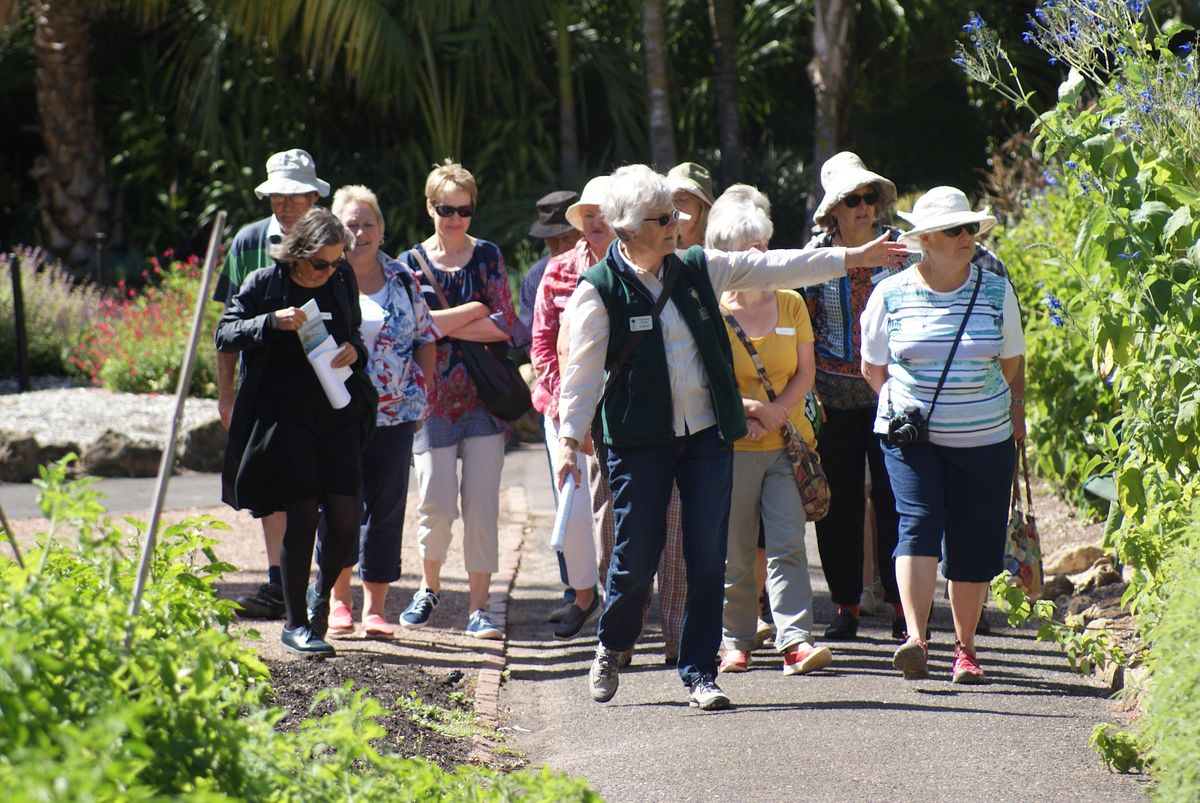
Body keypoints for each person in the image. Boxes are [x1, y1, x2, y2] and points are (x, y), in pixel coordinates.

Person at [556, 164, 907, 710]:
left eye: (676, 214)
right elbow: (579, 376)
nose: (677, 223)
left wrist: (852, 258)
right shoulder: (598, 292)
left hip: (704, 438)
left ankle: (699, 672)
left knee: (706, 553)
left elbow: (771, 263)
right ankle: (612, 643)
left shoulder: (699, 267)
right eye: (663, 217)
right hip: (637, 441)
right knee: (636, 553)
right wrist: (566, 441)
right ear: (627, 228)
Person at [860, 186, 1025, 683]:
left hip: (986, 439)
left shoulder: (996, 290)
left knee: (975, 541)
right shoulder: (890, 292)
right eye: (955, 229)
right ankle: (916, 638)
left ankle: (966, 650)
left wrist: (1010, 412)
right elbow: (873, 366)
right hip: (914, 440)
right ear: (925, 239)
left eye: (971, 228)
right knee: (918, 523)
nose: (967, 237)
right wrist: (907, 405)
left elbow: (1011, 361)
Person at [216, 208, 376, 656]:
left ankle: (320, 596)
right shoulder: (265, 284)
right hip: (284, 420)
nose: (331, 270)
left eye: (337, 261)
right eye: (323, 263)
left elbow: (356, 337)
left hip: (337, 412)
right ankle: (296, 624)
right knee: (301, 516)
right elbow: (224, 333)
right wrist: (273, 322)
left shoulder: (342, 279)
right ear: (300, 253)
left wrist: (353, 352)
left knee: (345, 517)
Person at [710, 185, 833, 677]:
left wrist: (778, 411)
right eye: (747, 248)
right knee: (736, 552)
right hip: (733, 446)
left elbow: (806, 372)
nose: (759, 255)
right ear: (727, 255)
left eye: (763, 245)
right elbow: (706, 380)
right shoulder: (714, 310)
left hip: (787, 443)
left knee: (787, 544)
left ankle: (794, 640)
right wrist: (750, 410)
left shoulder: (791, 304)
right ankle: (735, 639)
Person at [396, 160, 519, 640]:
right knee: (436, 502)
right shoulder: (407, 263)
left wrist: (444, 322)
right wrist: (475, 310)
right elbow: (411, 328)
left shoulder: (487, 255)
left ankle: (480, 606)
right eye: (446, 209)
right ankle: (428, 588)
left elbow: (506, 326)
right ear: (429, 207)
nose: (455, 219)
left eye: (464, 210)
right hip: (430, 400)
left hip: (484, 401)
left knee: (482, 505)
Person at [214, 148, 328, 621]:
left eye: (294, 196)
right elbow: (226, 324)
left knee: (318, 484)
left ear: (314, 196)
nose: (284, 205)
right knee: (268, 484)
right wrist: (225, 394)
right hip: (260, 384)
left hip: (321, 383)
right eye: (276, 196)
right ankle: (279, 582)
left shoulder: (328, 238)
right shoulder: (247, 242)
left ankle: (322, 586)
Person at [318, 185, 437, 638]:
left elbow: (426, 336)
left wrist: (420, 392)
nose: (360, 232)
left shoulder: (404, 278)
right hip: (338, 411)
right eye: (351, 223)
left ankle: (375, 608)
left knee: (386, 509)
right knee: (339, 503)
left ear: (382, 231)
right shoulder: (324, 276)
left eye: (368, 223)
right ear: (335, 229)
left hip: (396, 414)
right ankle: (338, 600)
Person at [800, 151, 905, 641]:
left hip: (891, 393)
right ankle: (846, 607)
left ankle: (906, 608)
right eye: (852, 199)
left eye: (868, 197)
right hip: (831, 401)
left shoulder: (903, 251)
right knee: (836, 505)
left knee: (896, 500)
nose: (863, 207)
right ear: (834, 211)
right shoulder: (816, 256)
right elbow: (801, 325)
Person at [530, 176, 614, 639]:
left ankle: (625, 602)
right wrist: (572, 411)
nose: (595, 221)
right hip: (566, 407)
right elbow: (541, 343)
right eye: (588, 214)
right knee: (578, 510)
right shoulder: (560, 269)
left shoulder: (638, 265)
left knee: (628, 509)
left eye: (603, 212)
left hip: (624, 408)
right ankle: (584, 598)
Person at [517, 189, 584, 622]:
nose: (558, 247)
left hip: (604, 398)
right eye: (550, 239)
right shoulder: (537, 276)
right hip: (556, 400)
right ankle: (572, 590)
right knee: (567, 497)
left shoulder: (607, 263)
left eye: (564, 235)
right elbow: (532, 342)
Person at [516, 190, 581, 350]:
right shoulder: (534, 278)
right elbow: (529, 339)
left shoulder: (601, 267)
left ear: (582, 233)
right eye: (552, 241)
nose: (560, 247)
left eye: (566, 238)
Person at [667, 161, 715, 249]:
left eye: (681, 199)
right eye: (670, 200)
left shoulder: (717, 246)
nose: (673, 206)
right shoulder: (661, 250)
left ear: (702, 205)